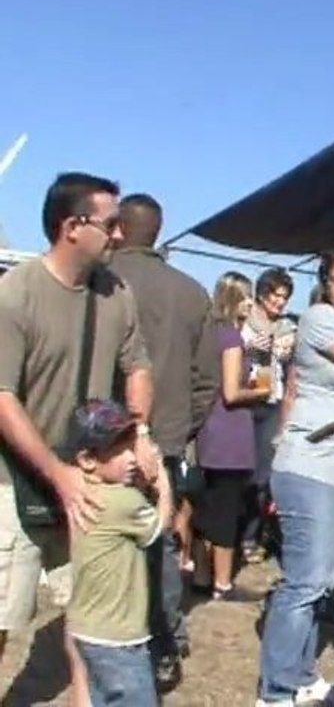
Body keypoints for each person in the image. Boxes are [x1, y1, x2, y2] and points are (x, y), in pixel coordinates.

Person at [0, 172, 155, 704]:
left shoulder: (117, 293)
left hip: (86, 480)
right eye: (111, 224)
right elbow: (2, 397)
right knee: (2, 615)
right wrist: (56, 473)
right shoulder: (15, 293)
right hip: (13, 480)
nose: (120, 234)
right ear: (72, 226)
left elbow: (137, 368)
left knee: (85, 616)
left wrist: (140, 436)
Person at [257, 245, 334, 707]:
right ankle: (275, 691)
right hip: (312, 463)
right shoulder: (319, 319)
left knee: (327, 582)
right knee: (305, 581)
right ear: (325, 284)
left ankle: (300, 673)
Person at [112, 192, 218, 689]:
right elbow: (207, 380)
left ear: (119, 226)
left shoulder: (101, 278)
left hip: (104, 437)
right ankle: (165, 640)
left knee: (108, 542)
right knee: (159, 540)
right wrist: (179, 427)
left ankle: (117, 639)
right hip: (169, 436)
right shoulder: (193, 292)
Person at [63, 399, 172, 707]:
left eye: (130, 445)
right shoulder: (122, 501)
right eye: (119, 450)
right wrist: (161, 479)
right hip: (119, 638)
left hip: (86, 628)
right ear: (87, 459)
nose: (132, 458)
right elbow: (159, 526)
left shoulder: (83, 493)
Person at [193, 272, 271, 599]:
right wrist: (261, 391)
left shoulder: (209, 333)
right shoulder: (231, 339)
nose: (251, 303)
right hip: (230, 434)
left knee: (206, 505)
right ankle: (223, 582)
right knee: (226, 509)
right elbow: (231, 392)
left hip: (210, 431)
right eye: (245, 297)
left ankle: (200, 573)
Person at [240, 268, 296, 564]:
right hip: (243, 402)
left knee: (262, 477)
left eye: (284, 297)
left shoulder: (289, 328)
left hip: (271, 402)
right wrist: (247, 348)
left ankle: (252, 533)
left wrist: (287, 351)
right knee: (239, 473)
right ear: (262, 295)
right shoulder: (245, 322)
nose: (280, 302)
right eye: (276, 296)